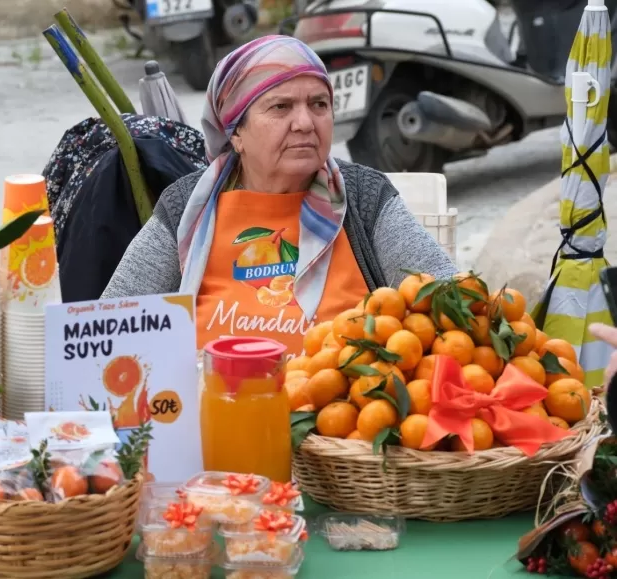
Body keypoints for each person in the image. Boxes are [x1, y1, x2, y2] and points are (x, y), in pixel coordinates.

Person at [102, 35, 456, 354]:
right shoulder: (187, 205)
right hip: (213, 411)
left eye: (319, 104)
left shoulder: (364, 197)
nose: (305, 122)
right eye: (280, 107)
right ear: (235, 132)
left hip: (347, 416)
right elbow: (110, 326)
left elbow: (451, 303)